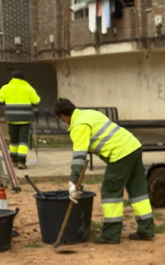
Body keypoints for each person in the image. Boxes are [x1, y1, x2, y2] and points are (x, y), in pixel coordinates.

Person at [51, 98, 155, 245]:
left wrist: (72, 182)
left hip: (120, 153)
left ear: (62, 117)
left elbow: (79, 157)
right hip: (133, 146)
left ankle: (111, 234)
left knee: (110, 191)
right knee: (138, 191)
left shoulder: (79, 126)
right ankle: (146, 229)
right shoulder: (89, 114)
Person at [0, 70, 40, 170]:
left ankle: (14, 159)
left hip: (11, 118)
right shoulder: (28, 88)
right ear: (23, 78)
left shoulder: (6, 87)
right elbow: (37, 101)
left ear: (12, 77)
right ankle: (21, 161)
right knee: (23, 140)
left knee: (13, 139)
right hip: (25, 118)